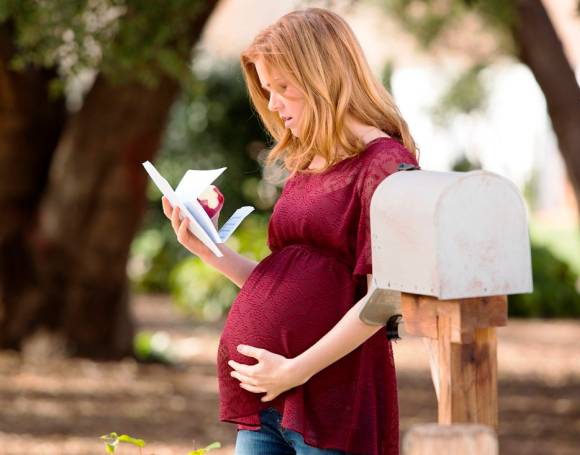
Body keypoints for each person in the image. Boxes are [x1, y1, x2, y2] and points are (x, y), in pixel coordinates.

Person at [162, 7, 419, 455]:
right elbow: (291, 282)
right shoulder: (309, 161)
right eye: (267, 90)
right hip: (267, 399)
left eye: (284, 88)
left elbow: (385, 299)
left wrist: (297, 369)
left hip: (333, 398)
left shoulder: (385, 165)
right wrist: (208, 249)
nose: (274, 105)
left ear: (325, 77)